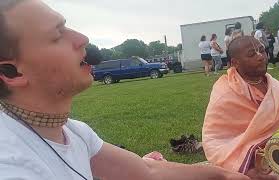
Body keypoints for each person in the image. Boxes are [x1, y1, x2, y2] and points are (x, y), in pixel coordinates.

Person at [0, 1, 251, 180]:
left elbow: (147, 172)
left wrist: (224, 174)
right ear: (12, 73)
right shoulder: (11, 164)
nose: (82, 38)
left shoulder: (74, 133)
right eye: (57, 35)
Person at [202, 36, 279, 179]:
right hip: (250, 160)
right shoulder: (225, 93)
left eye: (262, 50)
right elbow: (214, 141)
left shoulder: (273, 84)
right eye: (252, 54)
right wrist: (250, 169)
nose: (261, 56)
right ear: (235, 63)